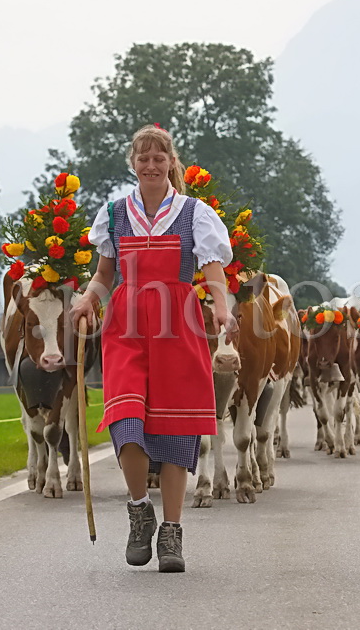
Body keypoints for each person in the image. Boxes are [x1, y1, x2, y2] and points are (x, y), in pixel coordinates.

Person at [68, 124, 237, 573]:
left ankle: (172, 533)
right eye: (143, 158)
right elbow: (105, 276)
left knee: (177, 430)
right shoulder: (115, 213)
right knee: (127, 418)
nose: (150, 164)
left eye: (158, 157)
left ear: (170, 162)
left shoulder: (193, 212)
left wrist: (221, 305)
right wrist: (88, 298)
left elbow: (213, 267)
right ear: (133, 163)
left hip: (177, 325)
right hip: (125, 325)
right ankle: (140, 509)